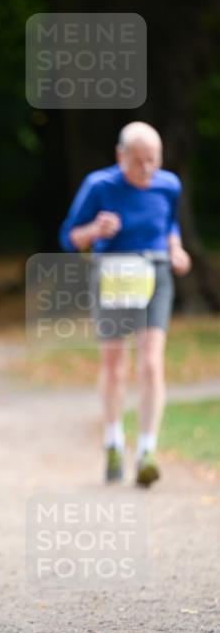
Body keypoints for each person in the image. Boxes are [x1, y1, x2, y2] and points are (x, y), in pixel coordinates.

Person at [59, 121, 192, 486]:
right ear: (121, 157)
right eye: (138, 162)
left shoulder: (169, 185)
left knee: (150, 362)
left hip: (155, 273)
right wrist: (94, 231)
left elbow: (170, 225)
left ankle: (147, 450)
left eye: (154, 160)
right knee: (115, 363)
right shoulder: (99, 186)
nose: (147, 169)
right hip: (114, 273)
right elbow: (69, 237)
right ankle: (113, 440)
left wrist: (176, 249)